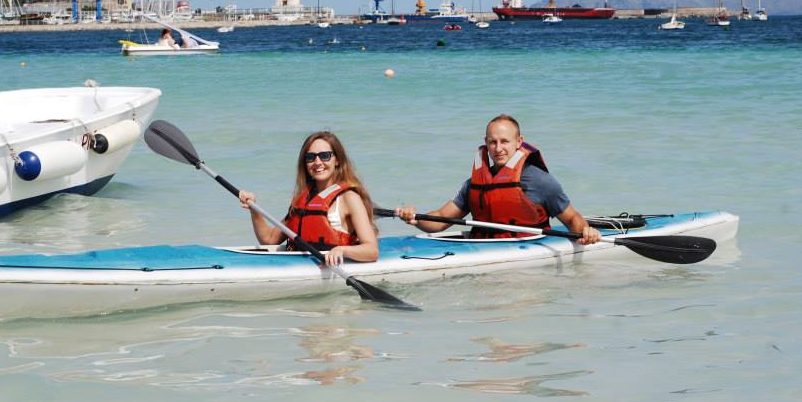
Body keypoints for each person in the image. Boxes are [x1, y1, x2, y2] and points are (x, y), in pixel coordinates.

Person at [397, 114, 602, 245]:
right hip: (482, 247)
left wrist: (585, 233)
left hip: (530, 251)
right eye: (492, 142)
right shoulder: (474, 184)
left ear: (519, 142)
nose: (498, 148)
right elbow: (441, 219)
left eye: (504, 141)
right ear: (486, 143)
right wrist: (415, 218)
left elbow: (572, 218)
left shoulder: (539, 181)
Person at [239, 132, 379, 267]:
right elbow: (269, 240)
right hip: (298, 263)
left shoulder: (349, 198)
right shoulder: (303, 199)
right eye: (311, 157)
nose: (317, 162)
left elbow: (372, 251)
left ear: (337, 160)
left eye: (325, 156)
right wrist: (253, 208)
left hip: (334, 266)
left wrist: (341, 250)